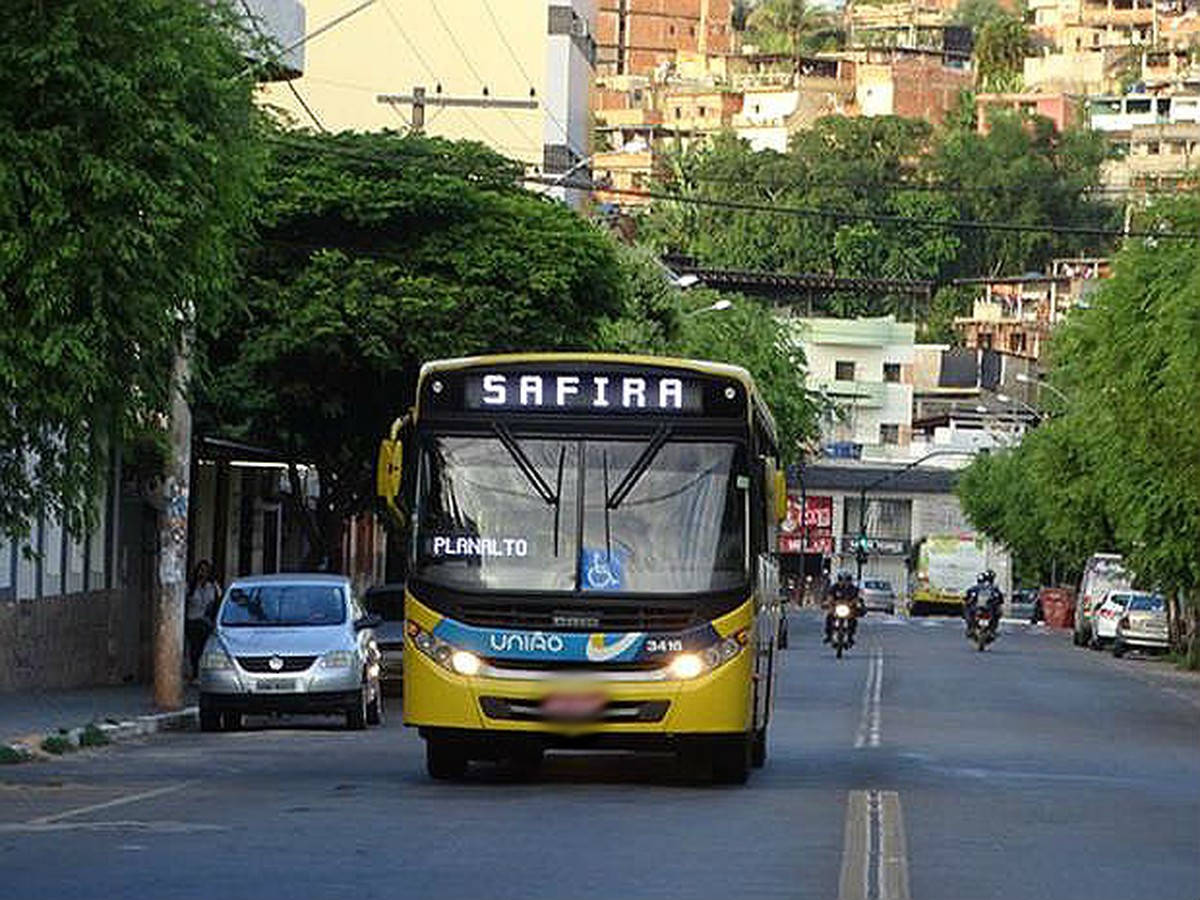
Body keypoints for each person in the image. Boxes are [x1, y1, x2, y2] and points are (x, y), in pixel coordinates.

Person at [186, 560, 221, 680]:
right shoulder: (191, 586)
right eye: (201, 570)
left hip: (206, 622)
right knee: (194, 648)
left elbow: (218, 601)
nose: (203, 573)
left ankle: (202, 674)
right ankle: (195, 672)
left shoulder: (213, 586)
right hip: (193, 620)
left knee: (203, 648)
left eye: (205, 570)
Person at [823, 571, 861, 645]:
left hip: (848, 609)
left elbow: (856, 598)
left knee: (853, 620)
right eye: (841, 579)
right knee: (829, 617)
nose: (844, 581)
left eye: (847, 579)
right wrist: (829, 602)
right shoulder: (834, 587)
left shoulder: (853, 589)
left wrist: (855, 603)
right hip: (836, 608)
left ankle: (850, 636)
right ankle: (829, 635)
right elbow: (830, 596)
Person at [964, 570, 1003, 637]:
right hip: (979, 606)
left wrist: (998, 602)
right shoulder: (977, 587)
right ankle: (971, 627)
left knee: (997, 613)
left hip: (989, 607)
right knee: (969, 610)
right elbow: (969, 594)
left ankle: (992, 630)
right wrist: (969, 600)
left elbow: (1000, 598)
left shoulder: (994, 588)